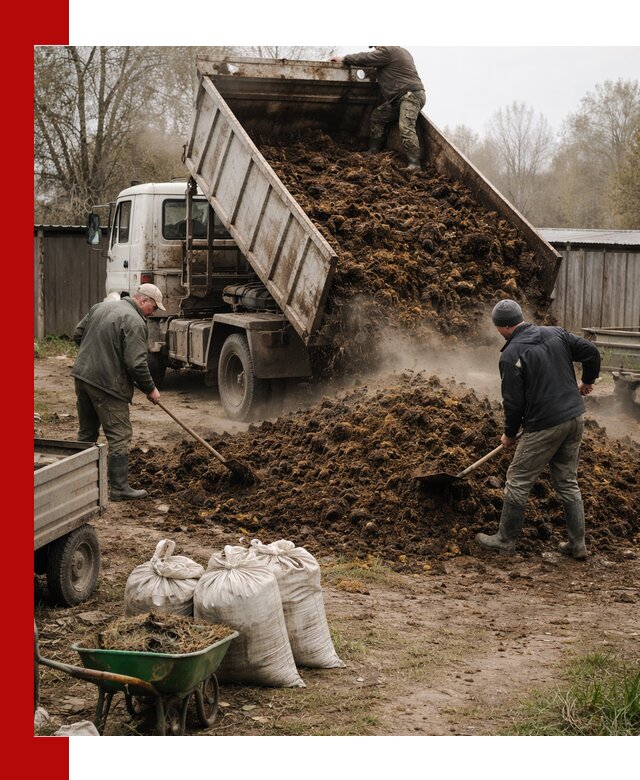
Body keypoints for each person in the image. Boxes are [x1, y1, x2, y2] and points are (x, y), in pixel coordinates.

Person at [476, 299, 601, 559]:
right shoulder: (556, 333)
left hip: (544, 425)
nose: (498, 331)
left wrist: (509, 433)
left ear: (505, 326)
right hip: (574, 418)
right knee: (567, 481)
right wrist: (587, 381)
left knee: (518, 480)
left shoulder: (511, 355)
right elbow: (591, 352)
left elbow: (513, 402)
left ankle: (504, 540)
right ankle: (577, 544)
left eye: (498, 328)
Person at [72, 283, 165, 501]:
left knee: (87, 432)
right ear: (143, 301)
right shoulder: (134, 322)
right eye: (154, 308)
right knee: (120, 435)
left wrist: (99, 353)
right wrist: (151, 389)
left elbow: (78, 335)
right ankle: (120, 488)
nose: (153, 313)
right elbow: (136, 363)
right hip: (108, 386)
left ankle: (79, 483)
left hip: (83, 377)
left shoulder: (100, 308)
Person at [330, 46, 426, 171]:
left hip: (410, 95)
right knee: (378, 116)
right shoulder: (399, 51)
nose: (375, 48)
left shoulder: (388, 51)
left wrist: (344, 59)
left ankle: (415, 164)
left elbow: (366, 58)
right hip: (399, 97)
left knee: (406, 126)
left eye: (375, 46)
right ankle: (373, 151)